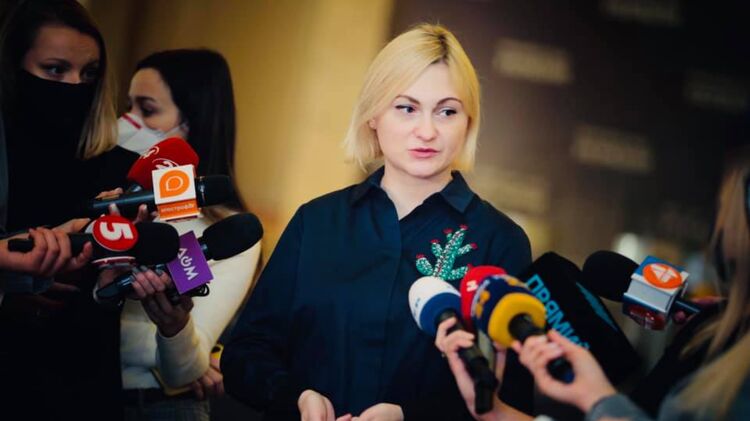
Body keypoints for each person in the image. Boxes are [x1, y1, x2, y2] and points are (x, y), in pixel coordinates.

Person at [222, 23, 532, 420]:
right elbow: (246, 353)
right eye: (407, 108)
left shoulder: (500, 241)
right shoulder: (316, 222)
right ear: (373, 115)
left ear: (468, 121)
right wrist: (296, 398)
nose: (427, 131)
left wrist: (409, 417)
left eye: (447, 111)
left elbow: (512, 400)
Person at [436, 153, 750, 420]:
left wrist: (597, 398)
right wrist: (497, 413)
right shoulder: (712, 330)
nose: (719, 226)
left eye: (726, 210)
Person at [0, 1, 138, 419]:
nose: (76, 86)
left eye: (89, 74)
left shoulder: (123, 172)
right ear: (12, 68)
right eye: (56, 70)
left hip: (78, 385)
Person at [116, 49, 261, 421]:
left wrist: (184, 343)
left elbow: (184, 367)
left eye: (147, 110)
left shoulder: (225, 232)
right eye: (128, 106)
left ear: (193, 122)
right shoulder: (108, 203)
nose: (126, 121)